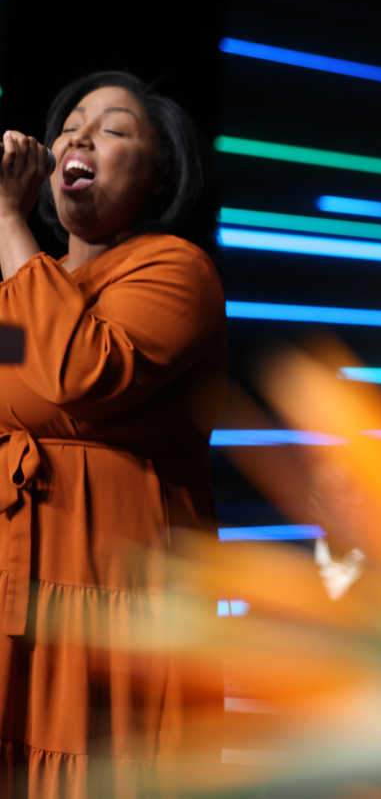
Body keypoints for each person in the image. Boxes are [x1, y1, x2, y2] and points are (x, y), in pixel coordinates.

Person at [0, 71, 226, 793]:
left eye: (114, 129)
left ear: (161, 177)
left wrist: (9, 222)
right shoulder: (28, 283)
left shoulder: (177, 271)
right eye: (70, 125)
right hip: (16, 582)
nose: (80, 136)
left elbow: (76, 373)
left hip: (114, 594)